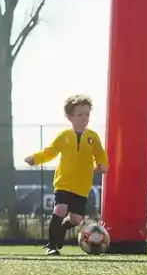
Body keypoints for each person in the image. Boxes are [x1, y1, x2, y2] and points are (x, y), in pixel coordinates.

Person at [25, 94, 109, 256]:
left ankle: (63, 227)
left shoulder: (93, 137)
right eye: (80, 115)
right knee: (60, 209)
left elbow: (100, 154)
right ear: (70, 117)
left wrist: (102, 164)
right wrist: (35, 158)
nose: (84, 118)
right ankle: (51, 246)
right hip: (63, 183)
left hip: (82, 186)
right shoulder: (64, 136)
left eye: (87, 115)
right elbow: (49, 152)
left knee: (76, 219)